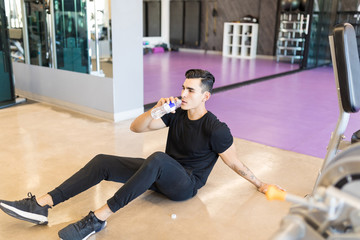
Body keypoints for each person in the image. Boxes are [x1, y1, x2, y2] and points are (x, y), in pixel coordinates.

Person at [0, 69, 280, 240]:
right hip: (160, 173)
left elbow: (234, 161)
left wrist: (260, 183)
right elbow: (136, 128)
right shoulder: (176, 113)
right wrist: (156, 111)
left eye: (190, 90)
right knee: (102, 161)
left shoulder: (216, 129)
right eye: (183, 87)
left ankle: (97, 219)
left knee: (157, 158)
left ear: (205, 96)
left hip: (185, 184)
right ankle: (42, 204)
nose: (182, 93)